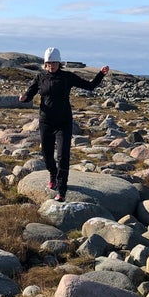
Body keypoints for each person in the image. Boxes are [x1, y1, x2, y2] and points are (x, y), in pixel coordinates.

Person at [19, 47, 109, 202]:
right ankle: (52, 174)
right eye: (48, 63)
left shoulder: (67, 77)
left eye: (54, 62)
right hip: (46, 121)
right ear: (45, 63)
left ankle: (62, 190)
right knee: (47, 156)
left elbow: (90, 86)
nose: (51, 65)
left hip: (63, 122)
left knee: (63, 156)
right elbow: (30, 93)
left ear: (59, 63)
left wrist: (101, 74)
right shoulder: (40, 77)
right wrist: (23, 98)